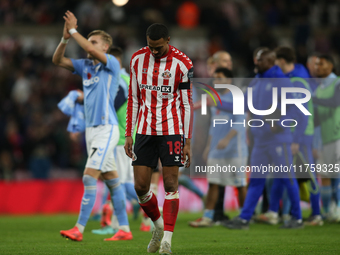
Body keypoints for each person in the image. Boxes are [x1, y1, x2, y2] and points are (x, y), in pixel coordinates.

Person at [53, 11, 131, 241]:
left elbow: (93, 50)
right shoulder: (86, 66)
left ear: (106, 47)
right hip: (91, 130)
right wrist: (65, 38)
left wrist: (75, 30)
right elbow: (57, 60)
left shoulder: (112, 64)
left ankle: (79, 228)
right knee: (113, 182)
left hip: (107, 128)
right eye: (90, 40)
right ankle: (125, 230)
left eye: (95, 41)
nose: (90, 45)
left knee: (89, 177)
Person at [214, 49, 303, 229]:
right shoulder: (256, 81)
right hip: (260, 141)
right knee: (255, 180)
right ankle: (245, 218)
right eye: (255, 59)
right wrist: (215, 102)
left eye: (260, 60)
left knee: (287, 177)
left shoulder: (282, 81)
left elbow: (295, 109)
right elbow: (242, 105)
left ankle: (297, 218)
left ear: (271, 62)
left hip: (279, 139)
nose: (256, 62)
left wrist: (279, 124)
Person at [125, 23, 193, 254]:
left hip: (171, 131)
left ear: (168, 40)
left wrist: (187, 140)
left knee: (171, 184)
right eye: (150, 47)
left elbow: (185, 103)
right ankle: (158, 227)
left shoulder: (183, 64)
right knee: (140, 186)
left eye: (158, 47)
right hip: (144, 131)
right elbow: (133, 98)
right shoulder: (136, 60)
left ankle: (167, 242)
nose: (153, 51)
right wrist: (129, 134)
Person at [256, 46, 322, 226]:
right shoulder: (291, 79)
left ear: (281, 61)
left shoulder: (298, 82)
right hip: (289, 135)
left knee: (307, 174)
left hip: (301, 136)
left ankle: (316, 214)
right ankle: (272, 212)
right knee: (282, 173)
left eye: (275, 61)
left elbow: (304, 113)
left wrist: (297, 139)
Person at [189, 68, 247, 227]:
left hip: (236, 149)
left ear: (229, 80)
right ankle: (208, 217)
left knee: (240, 184)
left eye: (219, 78)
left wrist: (228, 139)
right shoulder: (215, 99)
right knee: (213, 183)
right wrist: (209, 146)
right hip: (216, 149)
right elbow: (214, 126)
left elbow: (241, 122)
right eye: (214, 79)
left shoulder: (237, 98)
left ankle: (244, 216)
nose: (215, 82)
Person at [313, 55, 340, 222]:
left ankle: (338, 208)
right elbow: (317, 118)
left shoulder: (338, 83)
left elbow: (335, 102)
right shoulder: (319, 89)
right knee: (325, 175)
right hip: (324, 137)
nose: (317, 67)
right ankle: (327, 210)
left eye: (321, 64)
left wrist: (311, 98)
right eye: (316, 64)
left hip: (338, 135)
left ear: (330, 65)